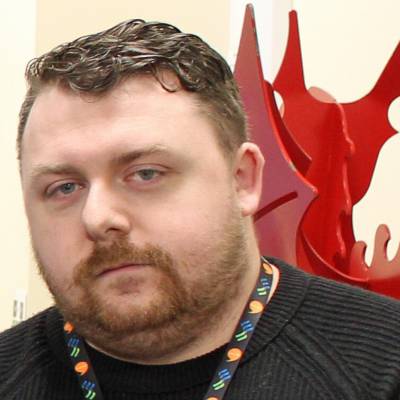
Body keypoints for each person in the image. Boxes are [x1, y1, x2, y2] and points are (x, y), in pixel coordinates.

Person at [1, 18, 400, 400]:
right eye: (64, 187)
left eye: (145, 174)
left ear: (243, 179)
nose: (98, 217)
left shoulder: (384, 366)